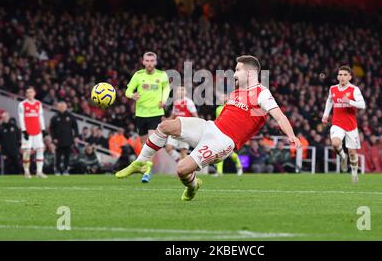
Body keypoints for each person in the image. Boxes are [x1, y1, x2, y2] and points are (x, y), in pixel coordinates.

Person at [116, 55, 302, 201]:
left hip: (223, 141)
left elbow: (279, 116)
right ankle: (140, 163)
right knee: (165, 126)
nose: (234, 74)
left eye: (237, 70)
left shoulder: (261, 93)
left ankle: (193, 185)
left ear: (250, 73)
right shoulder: (237, 92)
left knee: (181, 169)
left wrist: (292, 136)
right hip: (210, 127)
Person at [124, 51, 170, 183]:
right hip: (140, 115)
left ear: (155, 62)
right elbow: (128, 91)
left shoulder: (162, 75)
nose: (149, 63)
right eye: (147, 61)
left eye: (152, 61)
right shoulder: (138, 75)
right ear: (143, 62)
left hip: (155, 114)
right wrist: (132, 95)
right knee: (144, 144)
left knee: (150, 142)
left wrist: (164, 100)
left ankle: (147, 172)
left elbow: (166, 89)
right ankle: (146, 168)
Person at [322, 65, 366, 183]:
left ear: (350, 77)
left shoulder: (354, 89)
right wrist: (325, 114)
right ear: (337, 77)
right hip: (337, 123)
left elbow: (362, 105)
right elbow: (329, 101)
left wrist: (350, 101)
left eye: (345, 75)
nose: (342, 77)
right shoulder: (333, 89)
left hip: (351, 126)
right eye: (340, 75)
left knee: (352, 152)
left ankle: (354, 173)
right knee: (336, 143)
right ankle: (342, 156)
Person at [18, 86, 48, 178]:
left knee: (40, 150)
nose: (29, 94)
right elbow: (21, 118)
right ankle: (26, 172)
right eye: (27, 92)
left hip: (37, 132)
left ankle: (39, 172)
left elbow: (40, 117)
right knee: (27, 152)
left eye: (31, 92)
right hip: (27, 132)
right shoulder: (22, 104)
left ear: (34, 93)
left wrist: (43, 129)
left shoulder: (38, 103)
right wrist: (24, 130)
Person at [213, 93, 243, 176]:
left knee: (228, 152)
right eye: (220, 97)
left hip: (231, 133)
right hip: (221, 133)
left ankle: (239, 166)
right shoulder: (218, 109)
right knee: (221, 151)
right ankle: (219, 172)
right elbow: (218, 121)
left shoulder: (232, 107)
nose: (221, 98)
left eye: (223, 96)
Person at [166, 86, 198, 160]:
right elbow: (173, 116)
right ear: (176, 92)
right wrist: (165, 120)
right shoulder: (176, 102)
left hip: (185, 130)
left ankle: (188, 169)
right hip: (175, 129)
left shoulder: (189, 102)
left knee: (183, 152)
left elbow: (196, 117)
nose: (181, 91)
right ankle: (180, 161)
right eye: (179, 90)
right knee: (168, 148)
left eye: (183, 90)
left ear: (186, 92)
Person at [49, 102, 79, 175]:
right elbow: (51, 129)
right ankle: (57, 170)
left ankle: (66, 169)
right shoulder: (55, 117)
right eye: (60, 106)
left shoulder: (70, 116)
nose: (62, 108)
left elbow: (75, 127)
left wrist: (76, 136)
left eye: (63, 106)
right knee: (58, 156)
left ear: (66, 107)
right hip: (58, 140)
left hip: (68, 139)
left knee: (67, 156)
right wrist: (54, 138)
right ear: (58, 107)